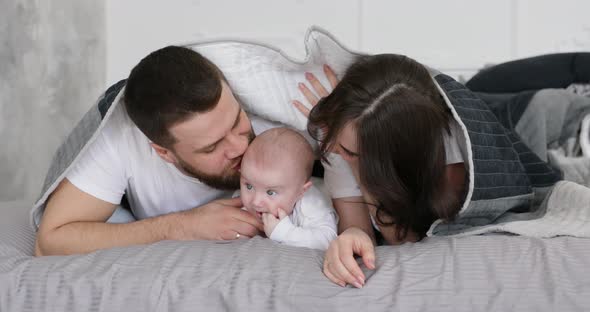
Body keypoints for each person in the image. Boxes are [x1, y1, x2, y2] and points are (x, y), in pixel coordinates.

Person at [34, 46, 294, 256]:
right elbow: (51, 241)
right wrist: (182, 226)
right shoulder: (120, 135)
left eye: (237, 122)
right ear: (163, 152)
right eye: (212, 147)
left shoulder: (278, 105)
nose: (240, 146)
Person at [293, 55, 468, 289]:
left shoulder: (452, 163)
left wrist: (360, 170)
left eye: (351, 153)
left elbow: (403, 241)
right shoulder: (341, 134)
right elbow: (356, 227)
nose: (333, 149)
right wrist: (350, 238)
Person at [237, 127, 338, 250]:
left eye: (270, 192)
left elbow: (328, 240)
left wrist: (284, 232)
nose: (256, 202)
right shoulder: (242, 200)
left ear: (301, 191)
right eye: (249, 186)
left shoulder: (311, 205)